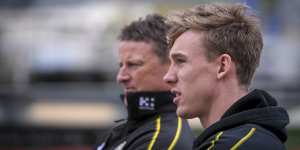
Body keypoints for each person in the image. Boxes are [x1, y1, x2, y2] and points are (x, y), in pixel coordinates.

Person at [163, 3, 289, 150]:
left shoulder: (235, 145)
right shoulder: (253, 138)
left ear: (222, 66)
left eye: (180, 61)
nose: (168, 77)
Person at [95, 14, 194, 150]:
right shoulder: (136, 128)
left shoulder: (162, 139)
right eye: (121, 65)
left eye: (133, 64)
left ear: (170, 65)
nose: (121, 77)